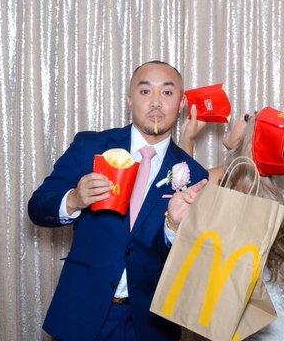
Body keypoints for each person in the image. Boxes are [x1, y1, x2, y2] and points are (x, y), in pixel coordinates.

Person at [28, 61, 208, 341]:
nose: (156, 102)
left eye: (168, 93)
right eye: (145, 91)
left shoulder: (194, 174)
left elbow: (189, 265)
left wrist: (172, 227)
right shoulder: (91, 146)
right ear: (129, 99)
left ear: (182, 103)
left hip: (151, 325)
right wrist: (74, 199)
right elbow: (38, 206)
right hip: (81, 316)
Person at [177, 108, 284, 341]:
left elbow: (184, 183)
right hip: (257, 318)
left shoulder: (243, 181)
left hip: (254, 325)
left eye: (247, 118)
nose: (237, 119)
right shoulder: (247, 178)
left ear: (251, 137)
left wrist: (187, 139)